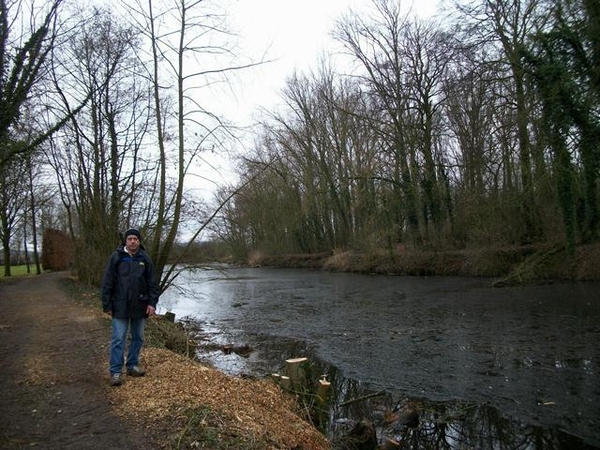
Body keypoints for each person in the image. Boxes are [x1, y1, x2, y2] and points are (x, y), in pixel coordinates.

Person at [101, 228, 159, 386]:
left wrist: (152, 303)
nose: (133, 241)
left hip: (140, 306)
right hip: (119, 305)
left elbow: (152, 284)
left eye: (135, 239)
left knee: (138, 337)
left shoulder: (145, 259)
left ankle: (132, 365)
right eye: (130, 239)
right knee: (118, 339)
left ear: (139, 241)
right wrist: (107, 304)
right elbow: (107, 282)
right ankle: (115, 372)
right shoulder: (117, 257)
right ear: (125, 241)